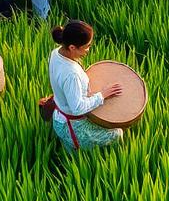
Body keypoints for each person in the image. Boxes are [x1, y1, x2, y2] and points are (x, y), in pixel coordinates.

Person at [48, 20, 124, 151]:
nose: (88, 50)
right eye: (87, 46)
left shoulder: (56, 52)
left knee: (72, 156)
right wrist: (102, 95)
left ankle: (71, 152)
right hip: (73, 127)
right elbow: (77, 108)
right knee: (117, 133)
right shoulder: (71, 74)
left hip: (59, 117)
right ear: (72, 47)